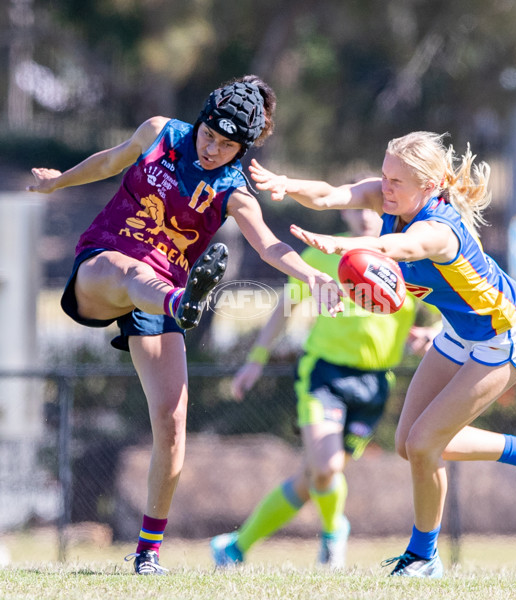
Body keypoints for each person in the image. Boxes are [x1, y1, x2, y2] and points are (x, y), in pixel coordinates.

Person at [26, 75, 343, 576]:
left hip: (162, 298)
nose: (213, 147)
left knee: (173, 427)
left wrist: (313, 274)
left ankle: (147, 553)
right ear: (199, 120)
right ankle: (181, 300)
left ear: (244, 147)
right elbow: (109, 162)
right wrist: (56, 181)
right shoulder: (159, 133)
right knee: (130, 272)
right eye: (208, 135)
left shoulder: (234, 192)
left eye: (227, 144)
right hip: (103, 267)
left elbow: (267, 245)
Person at [245, 131, 516, 578]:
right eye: (384, 175)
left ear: (430, 185)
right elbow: (331, 195)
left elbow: (394, 249)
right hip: (461, 331)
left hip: (504, 332)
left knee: (423, 444)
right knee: (407, 445)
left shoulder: (438, 230)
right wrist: (287, 183)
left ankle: (423, 558)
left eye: (397, 180)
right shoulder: (390, 200)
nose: (386, 187)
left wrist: (339, 246)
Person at [210, 206, 440, 569]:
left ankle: (234, 548)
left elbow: (448, 312)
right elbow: (286, 307)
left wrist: (431, 334)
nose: (367, 215)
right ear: (345, 213)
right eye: (358, 207)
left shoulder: (406, 262)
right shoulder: (320, 256)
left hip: (376, 381)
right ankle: (334, 535)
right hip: (325, 374)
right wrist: (256, 358)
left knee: (313, 478)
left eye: (378, 206)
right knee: (327, 468)